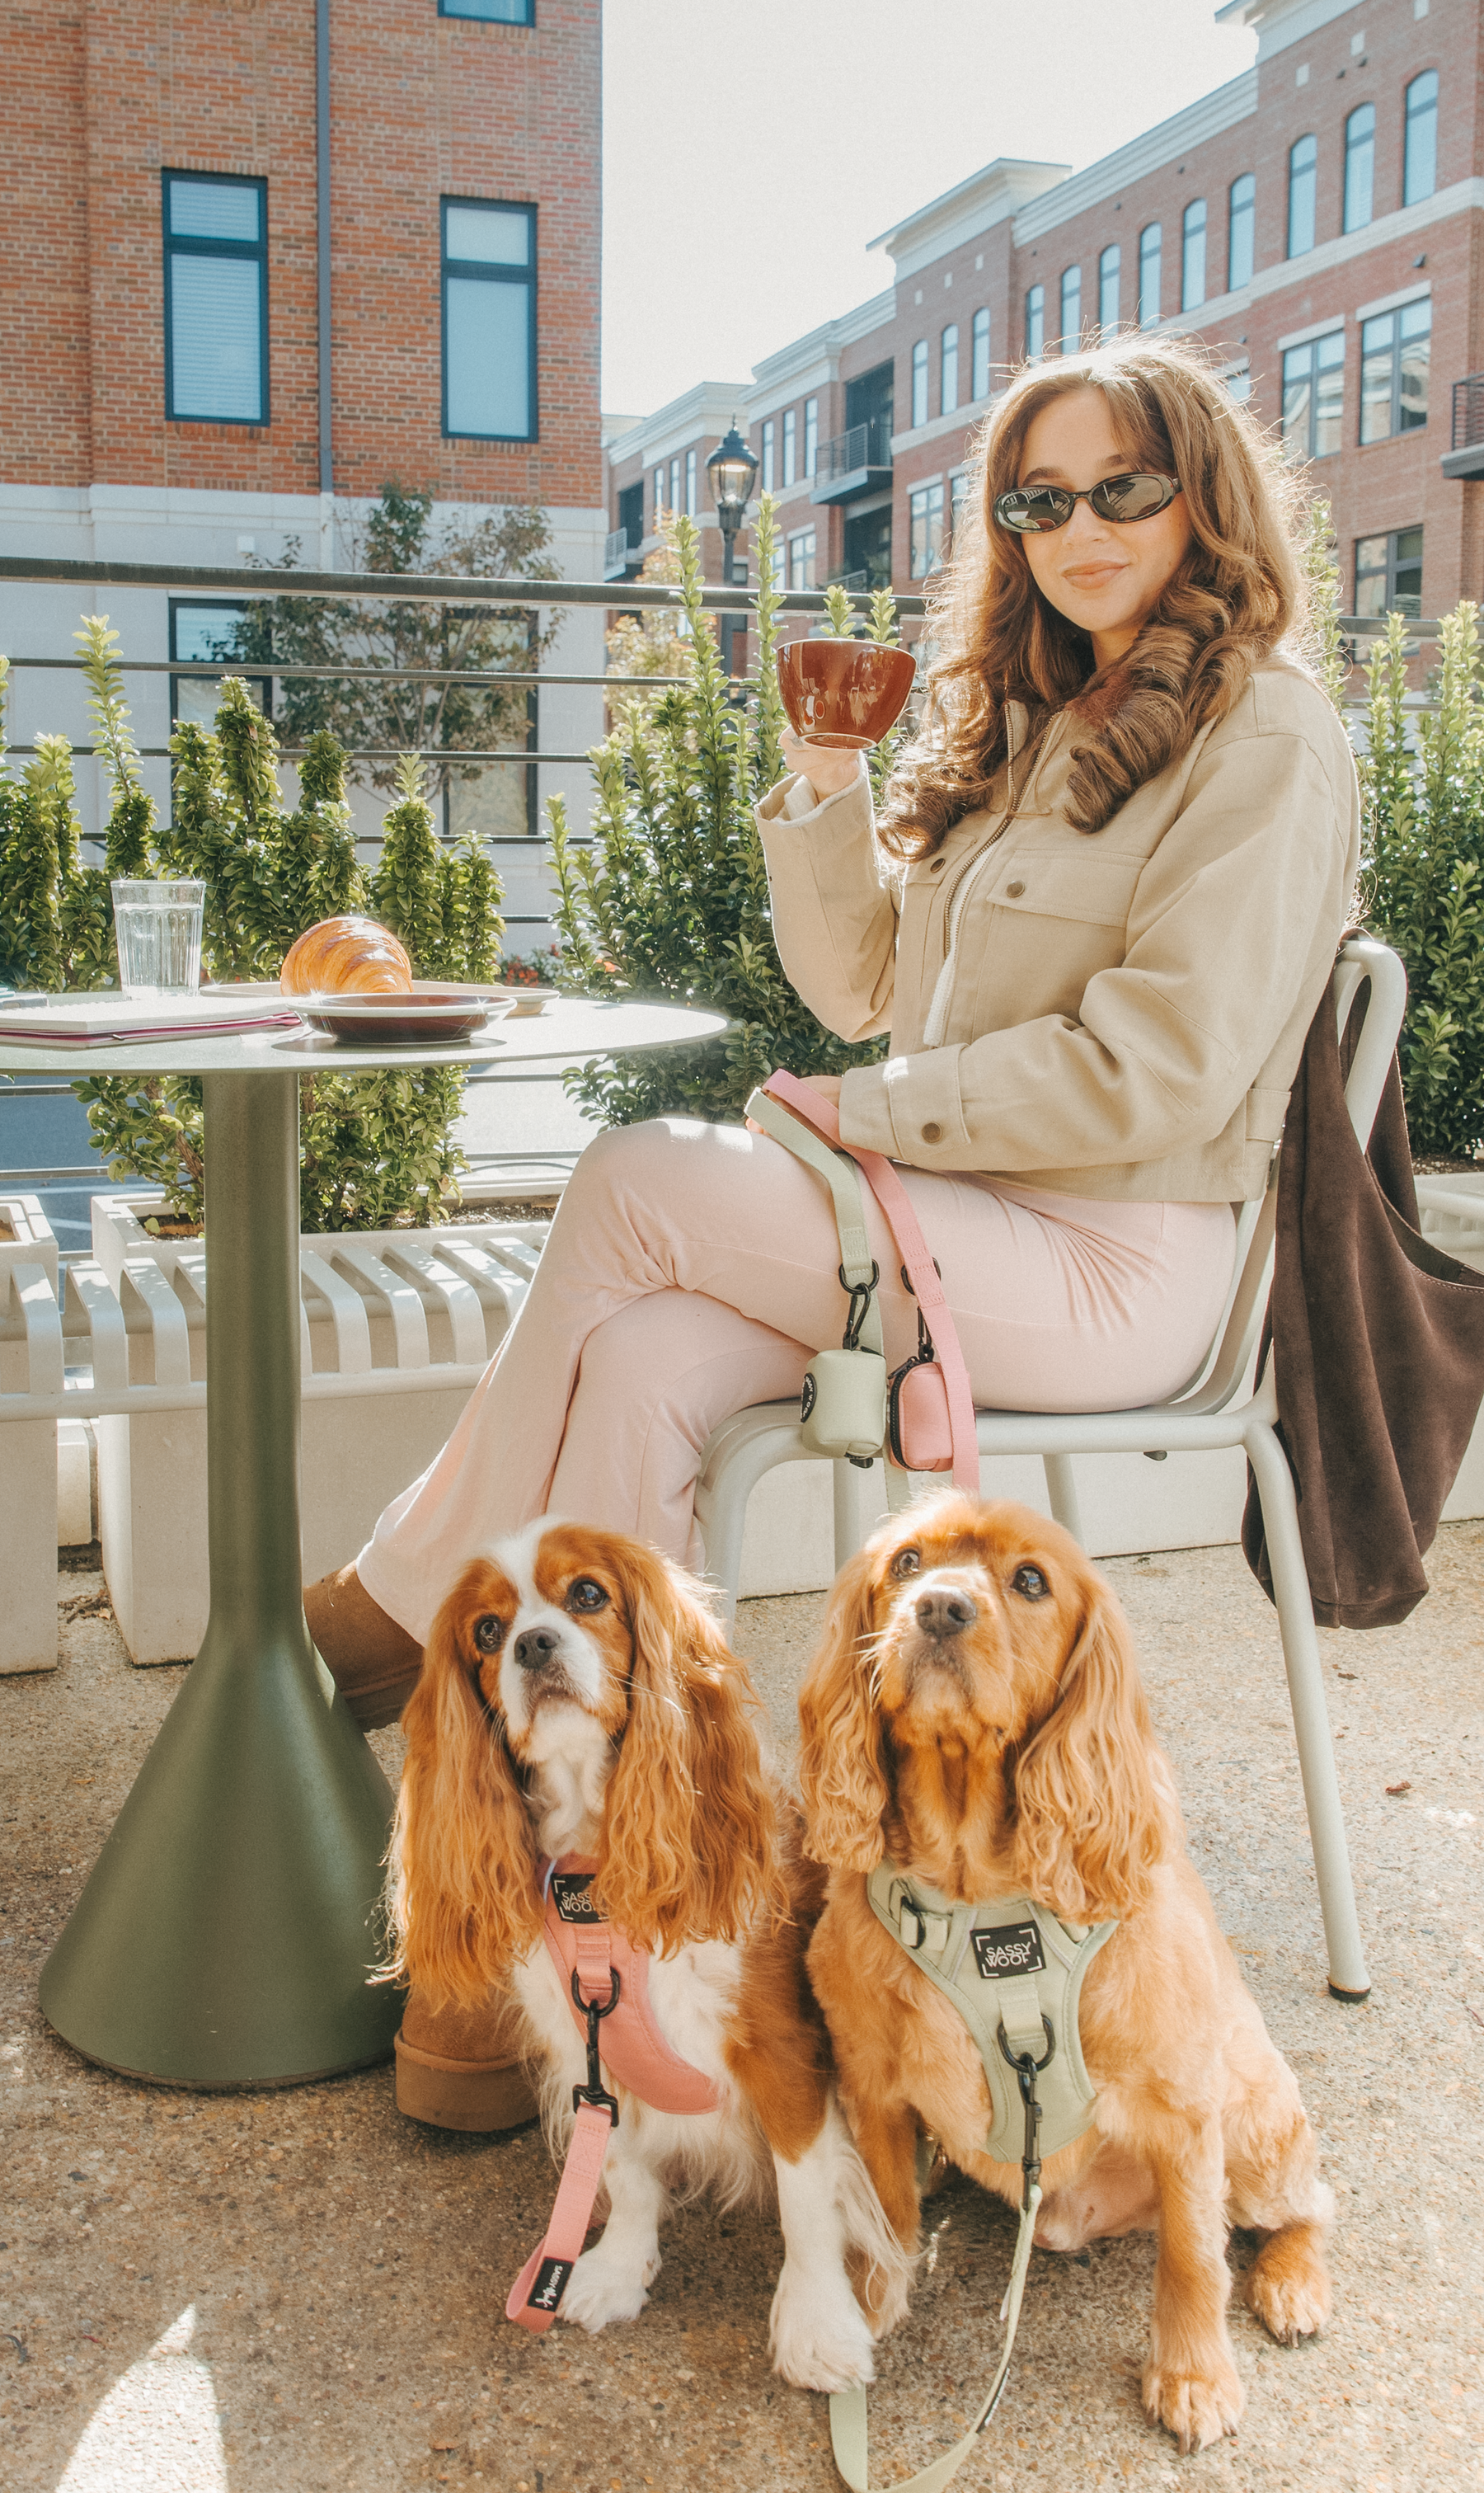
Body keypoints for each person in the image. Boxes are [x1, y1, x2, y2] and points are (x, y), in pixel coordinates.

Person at [309, 337, 1360, 2127]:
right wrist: (819, 783)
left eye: (1124, 487)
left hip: (1114, 1262)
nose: (1081, 530)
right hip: (942, 1225)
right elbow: (867, 983)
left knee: (639, 1176)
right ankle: (601, 1910)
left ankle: (418, 1610)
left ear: (1205, 493)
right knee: (639, 1351)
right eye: (1040, 500)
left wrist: (857, 1119)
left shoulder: (1267, 734)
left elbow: (1153, 1071)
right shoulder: (1040, 714)